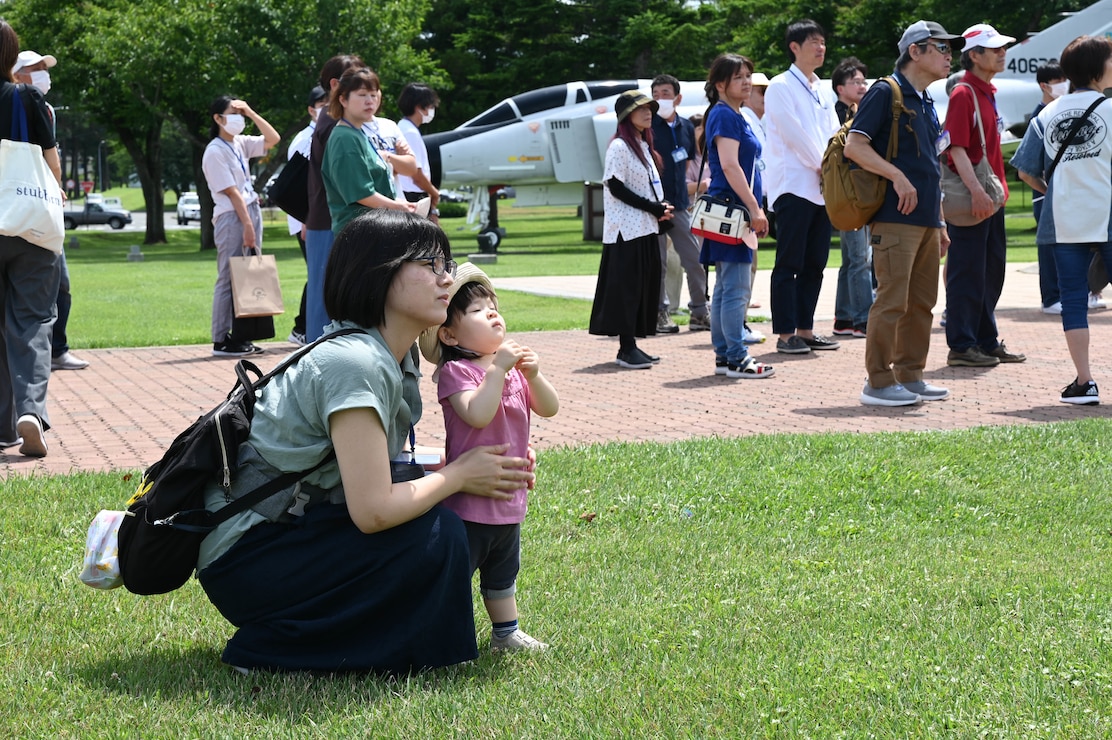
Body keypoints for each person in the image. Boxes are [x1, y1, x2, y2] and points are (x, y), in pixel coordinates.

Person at [196, 210, 535, 673]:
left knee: (434, 526)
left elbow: (382, 463)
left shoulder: (395, 357)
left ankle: (347, 636)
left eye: (447, 266)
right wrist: (459, 474)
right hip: (249, 559)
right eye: (430, 266)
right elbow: (373, 510)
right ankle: (272, 647)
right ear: (380, 275)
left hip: (286, 537)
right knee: (437, 534)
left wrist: (485, 464)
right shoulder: (355, 364)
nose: (446, 280)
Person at [418, 263, 559, 651]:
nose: (493, 313)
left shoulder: (512, 371)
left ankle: (505, 632)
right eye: (479, 311)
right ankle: (441, 633)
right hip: (469, 501)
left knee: (503, 572)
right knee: (457, 573)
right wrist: (497, 369)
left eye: (493, 306)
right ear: (449, 333)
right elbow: (477, 414)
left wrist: (534, 376)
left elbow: (549, 408)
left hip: (509, 495)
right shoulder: (457, 372)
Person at [844, 20, 962, 406]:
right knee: (892, 300)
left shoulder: (926, 100)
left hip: (927, 218)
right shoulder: (885, 91)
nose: (949, 56)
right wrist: (896, 176)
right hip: (895, 216)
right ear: (915, 51)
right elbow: (855, 147)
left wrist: (941, 221)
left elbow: (931, 163)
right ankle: (878, 382)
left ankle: (910, 375)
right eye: (941, 48)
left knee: (922, 303)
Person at [1011, 35, 1112, 405]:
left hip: (1063, 219)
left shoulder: (1047, 113)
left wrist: (1053, 189)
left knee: (1072, 300)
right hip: (1108, 214)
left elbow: (1023, 170)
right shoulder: (1110, 109)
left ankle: (1085, 383)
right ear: (1098, 68)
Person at [942, 24, 1026, 368]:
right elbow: (956, 147)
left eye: (1003, 47)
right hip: (977, 199)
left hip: (992, 199)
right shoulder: (963, 93)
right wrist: (977, 192)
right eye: (995, 49)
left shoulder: (985, 91)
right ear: (974, 55)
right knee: (968, 272)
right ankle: (962, 345)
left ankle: (984, 339)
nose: (1002, 52)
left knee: (990, 271)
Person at [0, 22, 64, 457]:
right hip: (29, 225)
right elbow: (51, 164)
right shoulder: (27, 99)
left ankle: (3, 427)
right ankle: (31, 411)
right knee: (33, 321)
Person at [763, 19, 842, 355]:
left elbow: (835, 132)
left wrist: (837, 165)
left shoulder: (823, 89)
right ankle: (784, 334)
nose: (820, 47)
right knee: (789, 263)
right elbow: (794, 135)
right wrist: (826, 167)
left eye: (822, 41)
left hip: (821, 188)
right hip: (794, 186)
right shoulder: (780, 86)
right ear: (794, 48)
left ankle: (806, 331)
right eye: (813, 41)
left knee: (815, 263)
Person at [700, 54, 774, 380]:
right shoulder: (725, 116)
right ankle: (736, 357)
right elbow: (730, 165)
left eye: (748, 75)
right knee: (736, 288)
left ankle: (724, 355)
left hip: (729, 208)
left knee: (726, 287)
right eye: (739, 77)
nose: (747, 82)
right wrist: (755, 209)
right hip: (733, 210)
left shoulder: (733, 114)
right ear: (720, 84)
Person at [12, 50, 87, 371]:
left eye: (45, 68)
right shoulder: (11, 106)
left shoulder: (47, 109)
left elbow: (50, 157)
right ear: (17, 75)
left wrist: (54, 187)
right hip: (18, 206)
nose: (44, 73)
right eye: (35, 68)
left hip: (45, 205)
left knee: (61, 283)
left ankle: (57, 349)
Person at [589, 91, 674, 369]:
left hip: (645, 227)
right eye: (641, 109)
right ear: (626, 115)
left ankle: (633, 346)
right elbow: (615, 185)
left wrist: (659, 208)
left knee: (642, 288)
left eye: (650, 108)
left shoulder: (643, 146)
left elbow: (644, 186)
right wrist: (653, 207)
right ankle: (626, 349)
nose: (648, 113)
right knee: (628, 290)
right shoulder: (620, 147)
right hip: (626, 231)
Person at [201, 95, 280, 357]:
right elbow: (232, 192)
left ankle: (241, 334)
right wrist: (247, 225)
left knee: (247, 274)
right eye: (232, 113)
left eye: (240, 114)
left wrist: (251, 111)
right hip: (232, 216)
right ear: (218, 118)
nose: (239, 118)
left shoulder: (239, 144)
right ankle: (221, 339)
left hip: (248, 211)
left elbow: (273, 139)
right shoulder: (214, 150)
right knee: (228, 275)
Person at [305, 54, 365, 343]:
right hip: (330, 220)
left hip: (327, 219)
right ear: (335, 85)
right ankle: (318, 360)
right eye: (354, 79)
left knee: (327, 292)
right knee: (326, 296)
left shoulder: (334, 121)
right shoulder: (333, 124)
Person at [320, 68, 416, 235]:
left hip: (373, 230)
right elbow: (361, 194)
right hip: (360, 235)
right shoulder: (345, 138)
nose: (370, 101)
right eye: (362, 94)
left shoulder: (357, 133)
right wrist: (398, 206)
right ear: (343, 99)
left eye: (374, 94)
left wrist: (399, 203)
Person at [650, 74, 708, 334]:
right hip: (653, 207)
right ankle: (660, 312)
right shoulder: (647, 126)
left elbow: (686, 161)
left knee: (694, 259)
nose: (660, 98)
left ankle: (699, 311)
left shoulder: (685, 126)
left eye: (665, 93)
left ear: (677, 98)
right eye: (656, 94)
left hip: (680, 204)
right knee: (658, 262)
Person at [830, 57, 873, 340]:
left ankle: (844, 318)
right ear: (839, 88)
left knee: (851, 258)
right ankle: (863, 320)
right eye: (855, 81)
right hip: (848, 193)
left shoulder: (859, 111)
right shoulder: (835, 116)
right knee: (860, 258)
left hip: (854, 191)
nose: (862, 85)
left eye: (863, 80)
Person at [284, 85, 329, 347]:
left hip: (314, 217)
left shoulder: (324, 133)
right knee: (317, 273)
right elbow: (300, 183)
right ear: (311, 109)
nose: (325, 108)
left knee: (318, 273)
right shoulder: (304, 139)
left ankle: (302, 326)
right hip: (307, 218)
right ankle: (302, 327)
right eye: (320, 104)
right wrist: (305, 220)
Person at [1030, 61, 1067, 315]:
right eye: (1058, 81)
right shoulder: (1040, 115)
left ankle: (1069, 293)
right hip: (1043, 194)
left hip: (1061, 193)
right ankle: (1050, 297)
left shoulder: (1060, 110)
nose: (1064, 85)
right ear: (1044, 86)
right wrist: (1046, 190)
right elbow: (1029, 165)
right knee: (1048, 247)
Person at [739, 71, 770, 344]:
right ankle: (738, 325)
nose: (766, 98)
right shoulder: (744, 119)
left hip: (759, 199)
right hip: (747, 203)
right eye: (763, 92)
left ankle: (740, 323)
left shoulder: (761, 121)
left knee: (750, 264)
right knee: (742, 265)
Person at [397, 82, 442, 223]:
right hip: (414, 195)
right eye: (430, 106)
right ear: (419, 107)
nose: (432, 110)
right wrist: (434, 192)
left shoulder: (402, 127)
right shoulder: (410, 133)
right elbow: (416, 173)